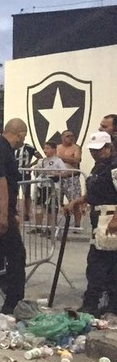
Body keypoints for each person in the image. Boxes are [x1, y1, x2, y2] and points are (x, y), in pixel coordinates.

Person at [65, 131, 117, 315]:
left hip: (108, 219)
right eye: (93, 150)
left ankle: (101, 304)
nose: (95, 153)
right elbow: (93, 192)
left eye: (99, 150)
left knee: (104, 263)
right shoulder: (99, 167)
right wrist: (77, 202)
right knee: (99, 262)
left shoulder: (114, 166)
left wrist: (115, 220)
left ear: (109, 148)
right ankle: (96, 302)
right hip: (98, 220)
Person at [0, 118, 29, 315]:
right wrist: (5, 214)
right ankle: (14, 300)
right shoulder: (2, 150)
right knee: (16, 256)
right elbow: (2, 183)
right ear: (20, 134)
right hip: (0, 214)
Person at [32, 141, 66, 234]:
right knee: (39, 206)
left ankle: (50, 228)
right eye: (44, 148)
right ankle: (38, 227)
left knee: (51, 208)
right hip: (41, 186)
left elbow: (64, 173)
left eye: (48, 148)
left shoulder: (58, 161)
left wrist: (53, 173)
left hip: (52, 186)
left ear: (54, 149)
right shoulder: (41, 161)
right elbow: (36, 172)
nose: (45, 150)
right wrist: (36, 170)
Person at [57, 130, 83, 228]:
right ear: (62, 137)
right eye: (68, 136)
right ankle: (53, 224)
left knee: (75, 201)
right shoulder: (57, 147)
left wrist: (60, 157)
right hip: (58, 178)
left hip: (71, 178)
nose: (71, 138)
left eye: (72, 136)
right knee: (55, 201)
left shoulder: (76, 148)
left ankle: (77, 225)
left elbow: (76, 159)